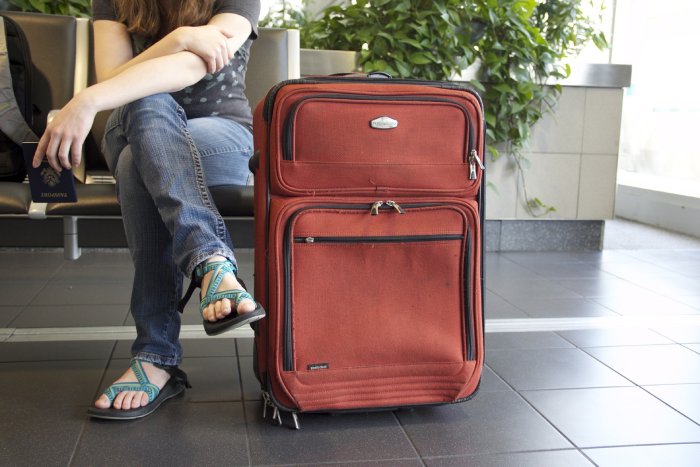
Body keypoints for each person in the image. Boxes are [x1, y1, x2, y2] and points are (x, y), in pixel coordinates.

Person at [32, 0, 264, 420]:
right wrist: (179, 37)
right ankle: (212, 262)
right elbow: (115, 77)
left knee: (136, 162)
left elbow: (198, 64)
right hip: (131, 125)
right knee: (146, 102)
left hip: (220, 135)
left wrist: (85, 101)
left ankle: (156, 357)